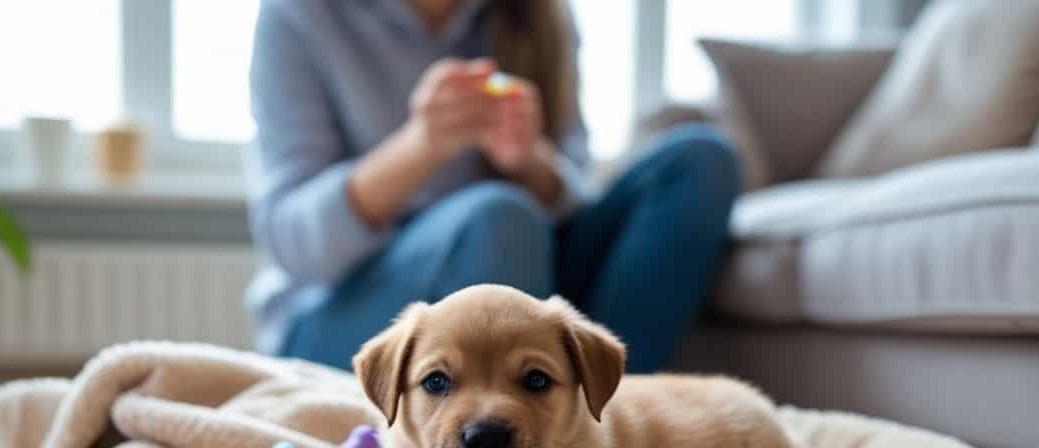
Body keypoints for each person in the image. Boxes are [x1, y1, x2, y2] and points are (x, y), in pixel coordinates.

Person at [246, 0, 740, 374]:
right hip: (342, 311)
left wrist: (529, 160)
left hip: (525, 261)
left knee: (700, 158)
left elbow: (575, 199)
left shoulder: (539, 16)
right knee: (500, 219)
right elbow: (294, 246)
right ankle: (510, 444)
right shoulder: (299, 14)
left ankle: (608, 423)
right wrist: (420, 146)